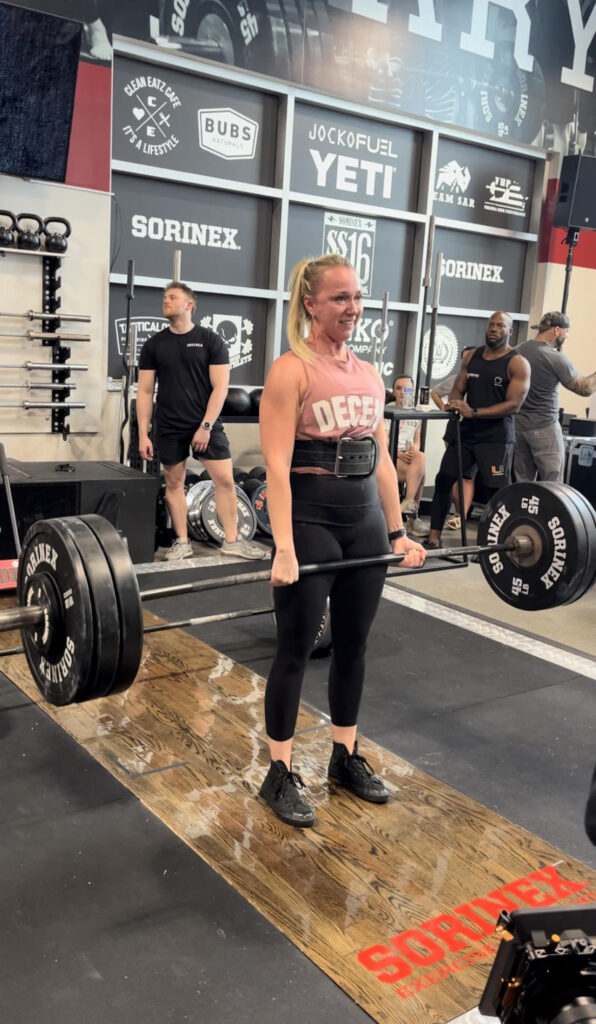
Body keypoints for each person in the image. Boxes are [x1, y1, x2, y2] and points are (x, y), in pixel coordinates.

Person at [258, 254, 426, 827]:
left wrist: (399, 531)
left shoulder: (368, 373)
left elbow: (380, 458)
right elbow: (276, 468)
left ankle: (343, 755)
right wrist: (282, 546)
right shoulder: (290, 370)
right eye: (339, 299)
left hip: (364, 525)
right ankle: (278, 771)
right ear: (311, 304)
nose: (352, 308)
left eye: (356, 297)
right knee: (295, 651)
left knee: (354, 646)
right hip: (309, 523)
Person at [137, 281, 266, 561]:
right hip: (169, 425)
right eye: (164, 298)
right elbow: (145, 391)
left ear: (189, 305)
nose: (165, 301)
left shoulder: (210, 340)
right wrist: (143, 434)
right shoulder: (154, 344)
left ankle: (231, 541)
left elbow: (221, 387)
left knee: (226, 480)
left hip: (204, 422)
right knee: (173, 483)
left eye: (172, 297)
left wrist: (206, 426)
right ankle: (182, 542)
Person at [425, 311, 530, 550]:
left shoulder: (517, 363)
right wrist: (454, 403)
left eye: (500, 325)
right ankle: (433, 538)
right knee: (443, 480)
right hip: (467, 434)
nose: (494, 328)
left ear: (510, 331)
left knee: (497, 491)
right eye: (491, 324)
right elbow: (458, 388)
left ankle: (496, 544)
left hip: (496, 437)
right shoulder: (472, 356)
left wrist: (474, 412)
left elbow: (514, 405)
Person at [514, 311, 596, 482]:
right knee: (553, 484)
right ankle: (549, 511)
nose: (566, 337)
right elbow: (585, 389)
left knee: (522, 483)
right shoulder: (554, 357)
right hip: (544, 428)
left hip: (519, 427)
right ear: (557, 330)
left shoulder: (518, 350)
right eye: (566, 332)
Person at [431, 347, 477, 530]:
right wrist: (443, 407)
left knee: (467, 476)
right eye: (464, 358)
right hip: (454, 429)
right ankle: (454, 517)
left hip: (475, 432)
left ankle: (461, 516)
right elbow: (435, 391)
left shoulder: (482, 380)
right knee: (451, 475)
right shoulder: (456, 379)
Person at [384, 374, 427, 536]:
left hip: (408, 458)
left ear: (413, 391)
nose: (402, 392)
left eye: (407, 389)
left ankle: (408, 505)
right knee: (421, 473)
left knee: (420, 457)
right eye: (398, 388)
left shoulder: (415, 412)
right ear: (394, 392)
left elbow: (417, 440)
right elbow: (385, 441)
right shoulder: (387, 410)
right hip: (390, 456)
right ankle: (412, 518)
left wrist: (413, 450)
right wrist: (400, 454)